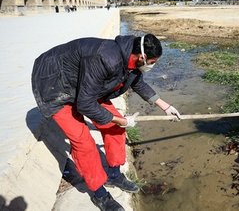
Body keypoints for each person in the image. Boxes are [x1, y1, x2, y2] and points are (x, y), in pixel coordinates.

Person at [31, 34, 182, 211]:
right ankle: (99, 194)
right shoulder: (105, 58)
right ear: (142, 57)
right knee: (83, 143)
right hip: (55, 86)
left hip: (84, 86)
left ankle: (113, 175)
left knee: (115, 129)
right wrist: (122, 119)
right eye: (152, 62)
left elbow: (137, 83)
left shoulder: (131, 59)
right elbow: (85, 104)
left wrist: (165, 106)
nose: (153, 65)